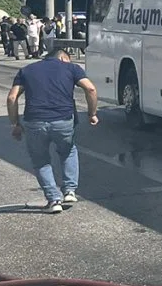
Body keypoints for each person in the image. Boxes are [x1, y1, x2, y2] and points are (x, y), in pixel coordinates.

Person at [6, 48, 99, 213]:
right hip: (63, 120)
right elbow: (90, 89)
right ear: (63, 58)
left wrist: (15, 124)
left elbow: (12, 97)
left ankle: (53, 200)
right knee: (68, 151)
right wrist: (92, 114)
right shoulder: (72, 68)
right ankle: (69, 191)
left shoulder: (27, 70)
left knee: (41, 160)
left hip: (34, 121)